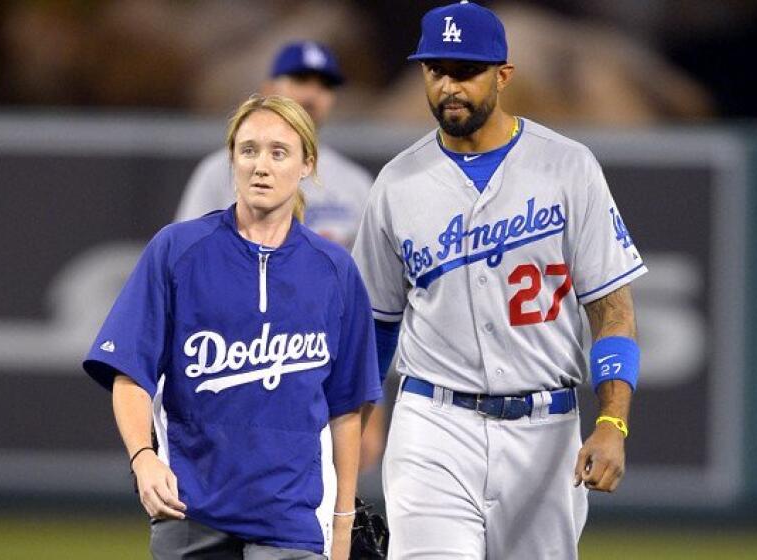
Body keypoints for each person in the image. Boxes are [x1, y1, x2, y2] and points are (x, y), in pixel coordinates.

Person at [351, 2, 647, 559]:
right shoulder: (397, 184)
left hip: (546, 430)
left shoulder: (569, 167)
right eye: (436, 70)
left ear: (503, 75)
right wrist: (347, 437)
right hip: (433, 426)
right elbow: (375, 330)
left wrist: (612, 422)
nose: (449, 86)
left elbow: (613, 312)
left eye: (466, 71)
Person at [83, 94, 382, 560]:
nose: (261, 165)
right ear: (232, 160)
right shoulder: (178, 250)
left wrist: (342, 521)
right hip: (190, 508)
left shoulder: (335, 271)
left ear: (307, 164)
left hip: (293, 516)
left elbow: (347, 407)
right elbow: (129, 372)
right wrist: (143, 458)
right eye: (248, 150)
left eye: (279, 152)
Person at [176, 41, 373, 251]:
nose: (312, 95)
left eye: (324, 85)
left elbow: (365, 271)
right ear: (269, 89)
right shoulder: (221, 171)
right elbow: (186, 253)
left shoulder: (354, 183)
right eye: (301, 80)